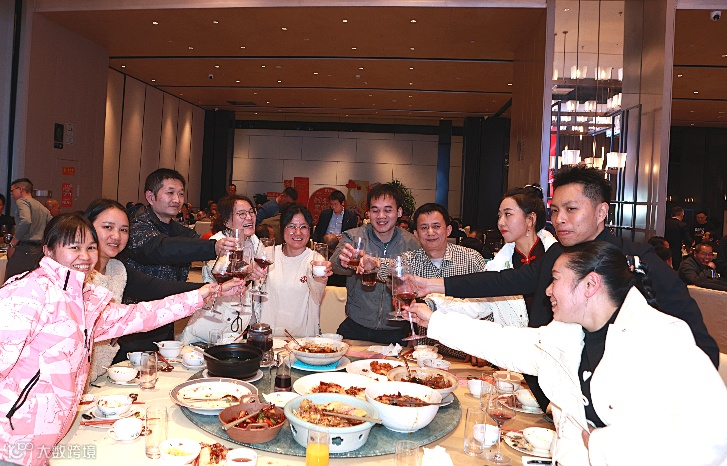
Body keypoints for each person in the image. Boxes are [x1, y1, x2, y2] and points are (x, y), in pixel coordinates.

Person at [408, 165, 719, 410]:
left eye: (571, 209)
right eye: (555, 210)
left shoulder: (635, 262)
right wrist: (432, 285)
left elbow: (699, 345)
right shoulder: (559, 254)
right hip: (557, 393)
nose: (559, 219)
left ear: (601, 212)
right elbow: (504, 281)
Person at [404, 241, 727, 466]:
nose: (547, 290)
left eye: (555, 280)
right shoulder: (568, 335)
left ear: (590, 285)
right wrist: (434, 320)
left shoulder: (661, 339)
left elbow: (711, 442)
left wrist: (601, 444)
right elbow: (504, 342)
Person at [0, 213, 240, 466]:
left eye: (90, 247)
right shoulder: (28, 293)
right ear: (48, 250)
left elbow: (141, 315)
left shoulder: (82, 300)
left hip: (42, 441)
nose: (85, 256)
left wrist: (203, 294)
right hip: (10, 441)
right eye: (74, 247)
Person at [122, 168, 237, 355]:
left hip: (168, 316)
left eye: (181, 194)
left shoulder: (181, 232)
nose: (177, 199)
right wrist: (213, 247)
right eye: (170, 193)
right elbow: (161, 248)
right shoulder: (135, 227)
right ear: (150, 197)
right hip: (134, 323)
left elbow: (193, 247)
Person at [82, 199, 207, 370]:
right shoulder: (80, 276)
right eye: (108, 227)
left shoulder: (117, 268)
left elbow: (158, 288)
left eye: (123, 230)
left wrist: (211, 289)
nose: (116, 236)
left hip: (102, 369)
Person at [332, 183, 419, 343]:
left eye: (388, 210)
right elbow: (334, 265)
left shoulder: (412, 243)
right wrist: (342, 261)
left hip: (396, 331)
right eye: (375, 210)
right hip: (356, 326)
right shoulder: (353, 237)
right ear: (368, 213)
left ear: (399, 212)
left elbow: (418, 281)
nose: (381, 216)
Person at [182, 195, 265, 344]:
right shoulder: (217, 243)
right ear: (226, 221)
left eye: (251, 212)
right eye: (241, 213)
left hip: (236, 327)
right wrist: (248, 271)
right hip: (208, 327)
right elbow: (217, 275)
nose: (249, 217)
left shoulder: (255, 242)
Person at [262, 204, 332, 336]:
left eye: (303, 227)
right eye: (292, 226)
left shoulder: (316, 260)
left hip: (302, 339)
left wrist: (320, 280)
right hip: (269, 337)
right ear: (282, 229)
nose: (298, 232)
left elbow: (317, 296)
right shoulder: (268, 254)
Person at [4, 178, 52, 281]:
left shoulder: (22, 201)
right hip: (38, 251)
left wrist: (12, 244)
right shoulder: (41, 206)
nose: (12, 194)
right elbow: (51, 224)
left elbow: (25, 221)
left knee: (12, 282)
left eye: (12, 191)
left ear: (21, 189)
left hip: (24, 249)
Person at [664, 206, 691, 270]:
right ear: (682, 215)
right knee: (675, 268)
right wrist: (688, 246)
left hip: (664, 249)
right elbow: (688, 239)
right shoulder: (682, 225)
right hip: (676, 251)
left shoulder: (664, 223)